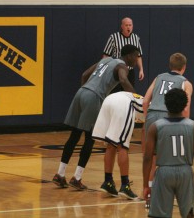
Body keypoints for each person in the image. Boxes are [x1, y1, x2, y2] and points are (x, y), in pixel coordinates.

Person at [52, 45, 140, 190]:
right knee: (90, 139)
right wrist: (135, 99)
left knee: (74, 136)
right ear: (129, 56)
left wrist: (87, 90)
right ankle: (77, 178)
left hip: (81, 93)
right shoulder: (122, 66)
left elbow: (84, 75)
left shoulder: (105, 60)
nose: (137, 60)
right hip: (94, 97)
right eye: (136, 56)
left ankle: (60, 174)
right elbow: (123, 80)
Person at [142, 88, 194, 218]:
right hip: (186, 173)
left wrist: (145, 185)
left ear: (165, 104)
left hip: (164, 173)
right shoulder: (193, 126)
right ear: (185, 104)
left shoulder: (155, 126)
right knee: (189, 214)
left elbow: (147, 158)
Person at [142, 52, 193, 189]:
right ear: (184, 67)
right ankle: (170, 188)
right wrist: (185, 126)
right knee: (170, 156)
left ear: (170, 66)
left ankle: (149, 188)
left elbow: (145, 101)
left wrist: (147, 118)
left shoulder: (158, 77)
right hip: (168, 118)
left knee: (151, 156)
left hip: (152, 116)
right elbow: (186, 108)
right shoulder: (186, 83)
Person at [92, 91, 145, 199]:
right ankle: (125, 185)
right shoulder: (157, 113)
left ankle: (108, 182)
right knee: (123, 145)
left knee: (111, 143)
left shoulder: (150, 101)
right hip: (124, 103)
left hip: (109, 99)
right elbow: (146, 132)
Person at [103, 17, 144, 92]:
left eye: (130, 25)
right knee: (115, 94)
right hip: (117, 70)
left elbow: (138, 56)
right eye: (126, 25)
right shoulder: (114, 37)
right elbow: (106, 55)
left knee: (128, 94)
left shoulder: (135, 38)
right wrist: (105, 69)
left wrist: (141, 69)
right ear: (122, 26)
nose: (128, 27)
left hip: (130, 71)